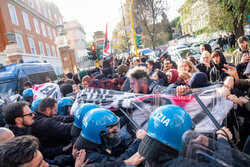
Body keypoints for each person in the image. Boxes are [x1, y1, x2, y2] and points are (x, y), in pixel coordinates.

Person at [137, 105, 234, 166]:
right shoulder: (178, 164)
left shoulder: (147, 153)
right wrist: (223, 139)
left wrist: (193, 144)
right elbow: (224, 164)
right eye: (189, 132)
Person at [75, 108, 147, 164]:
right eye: (113, 131)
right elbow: (120, 162)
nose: (117, 132)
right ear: (101, 133)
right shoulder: (91, 157)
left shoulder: (95, 140)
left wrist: (126, 117)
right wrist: (138, 140)